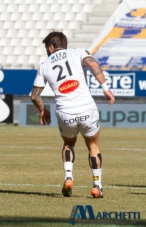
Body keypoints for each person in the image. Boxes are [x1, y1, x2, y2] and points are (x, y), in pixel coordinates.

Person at [30, 31, 115, 198]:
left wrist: (42, 110)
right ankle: (97, 186)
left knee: (68, 144)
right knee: (93, 146)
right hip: (86, 109)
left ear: (51, 47)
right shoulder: (79, 52)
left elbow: (34, 96)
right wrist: (105, 89)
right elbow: (94, 65)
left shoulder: (44, 65)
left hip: (65, 112)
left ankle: (68, 177)